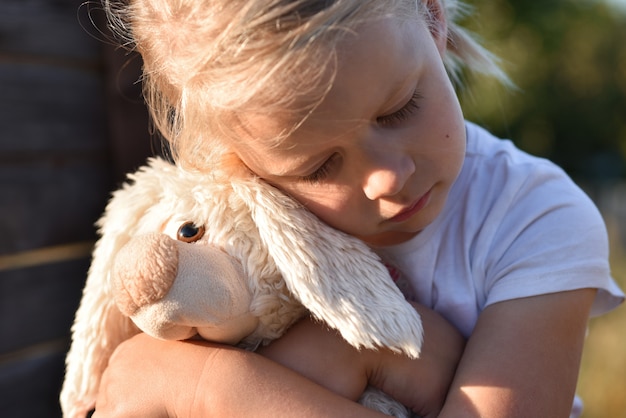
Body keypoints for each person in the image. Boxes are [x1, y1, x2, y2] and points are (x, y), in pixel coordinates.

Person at [92, 0, 624, 417]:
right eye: (319, 167)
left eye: (400, 109)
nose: (388, 178)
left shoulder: (535, 218)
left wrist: (205, 386)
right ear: (234, 161)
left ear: (432, 17)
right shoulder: (220, 231)